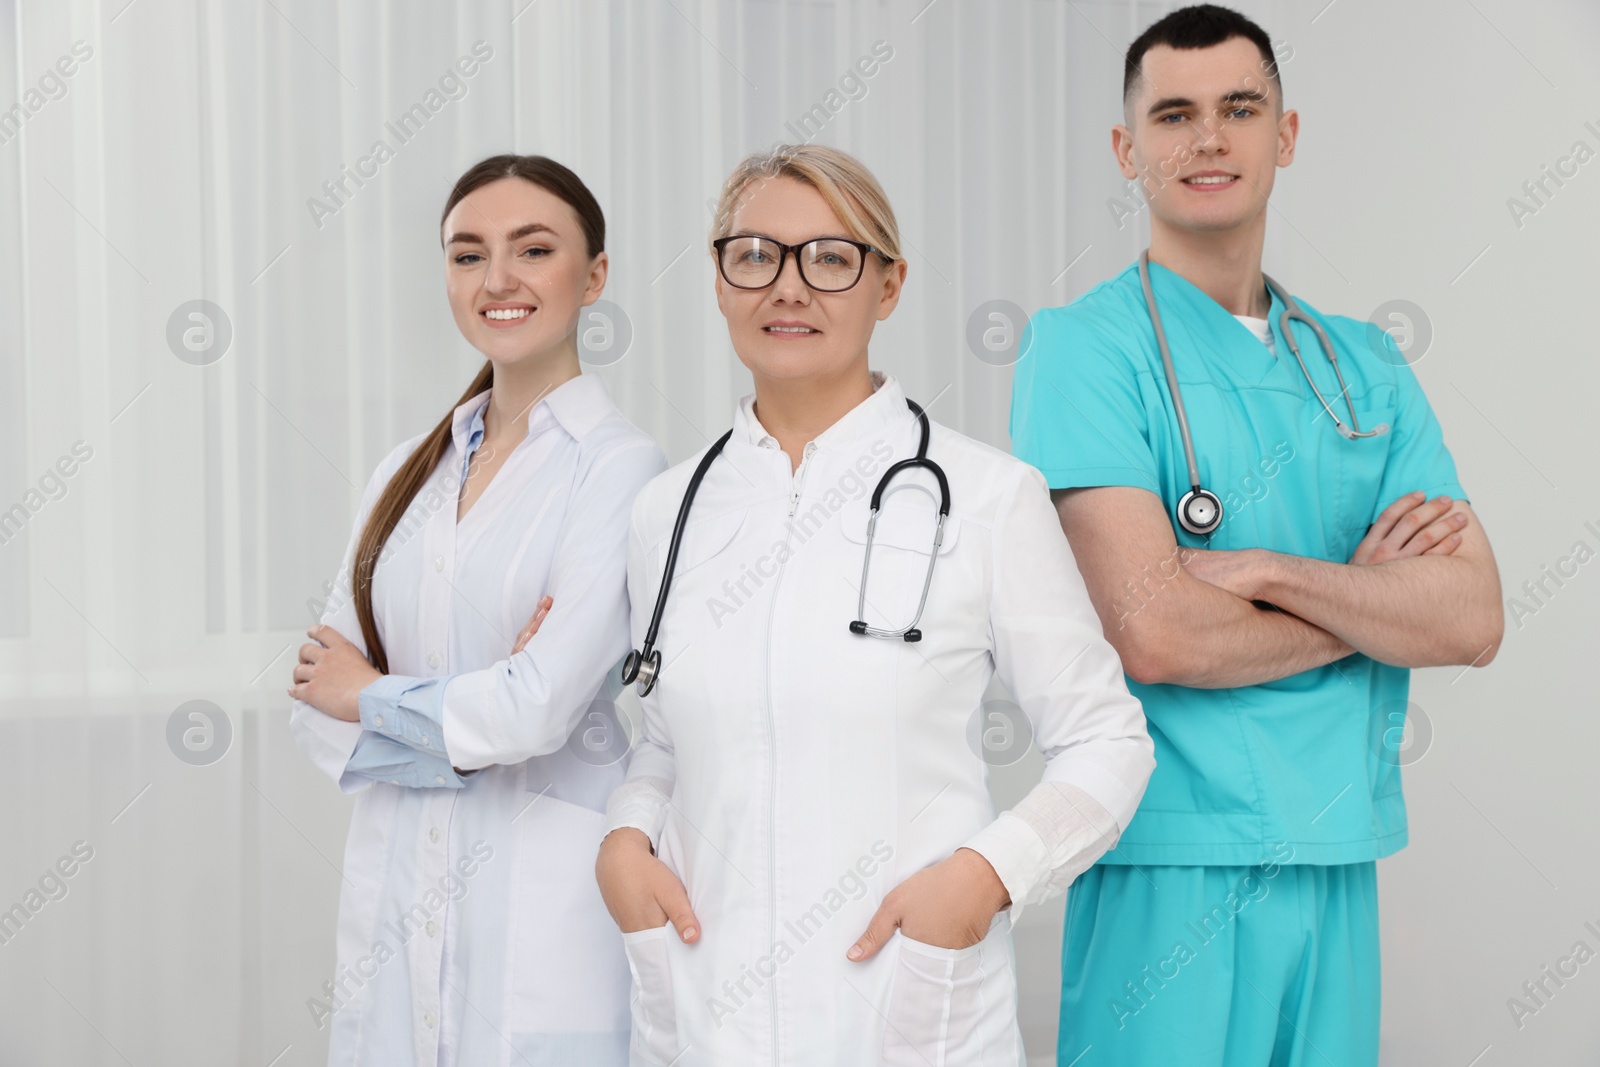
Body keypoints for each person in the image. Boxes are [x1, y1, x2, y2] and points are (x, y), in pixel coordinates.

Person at [1008, 6, 1504, 1064]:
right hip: (1169, 856)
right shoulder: (1083, 351)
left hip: (1338, 850)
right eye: (1174, 114)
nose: (1208, 139)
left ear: (1284, 133)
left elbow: (1469, 616)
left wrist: (1276, 570)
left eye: (1239, 109)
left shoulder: (1364, 364)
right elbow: (1159, 634)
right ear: (1125, 149)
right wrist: (1367, 606)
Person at [593, 143, 1155, 1067]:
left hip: (903, 1002)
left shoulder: (985, 496)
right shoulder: (668, 509)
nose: (788, 286)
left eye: (830, 256)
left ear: (887, 285)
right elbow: (662, 737)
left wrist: (985, 877)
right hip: (704, 1006)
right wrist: (623, 839)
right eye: (755, 255)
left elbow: (1108, 741)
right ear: (722, 279)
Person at [288, 154, 665, 1066]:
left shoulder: (620, 469)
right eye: (468, 255)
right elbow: (314, 704)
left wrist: (378, 695)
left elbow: (534, 710)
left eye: (533, 249)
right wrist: (474, 711)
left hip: (539, 916)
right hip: (395, 902)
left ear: (595, 275)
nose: (497, 279)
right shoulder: (405, 474)